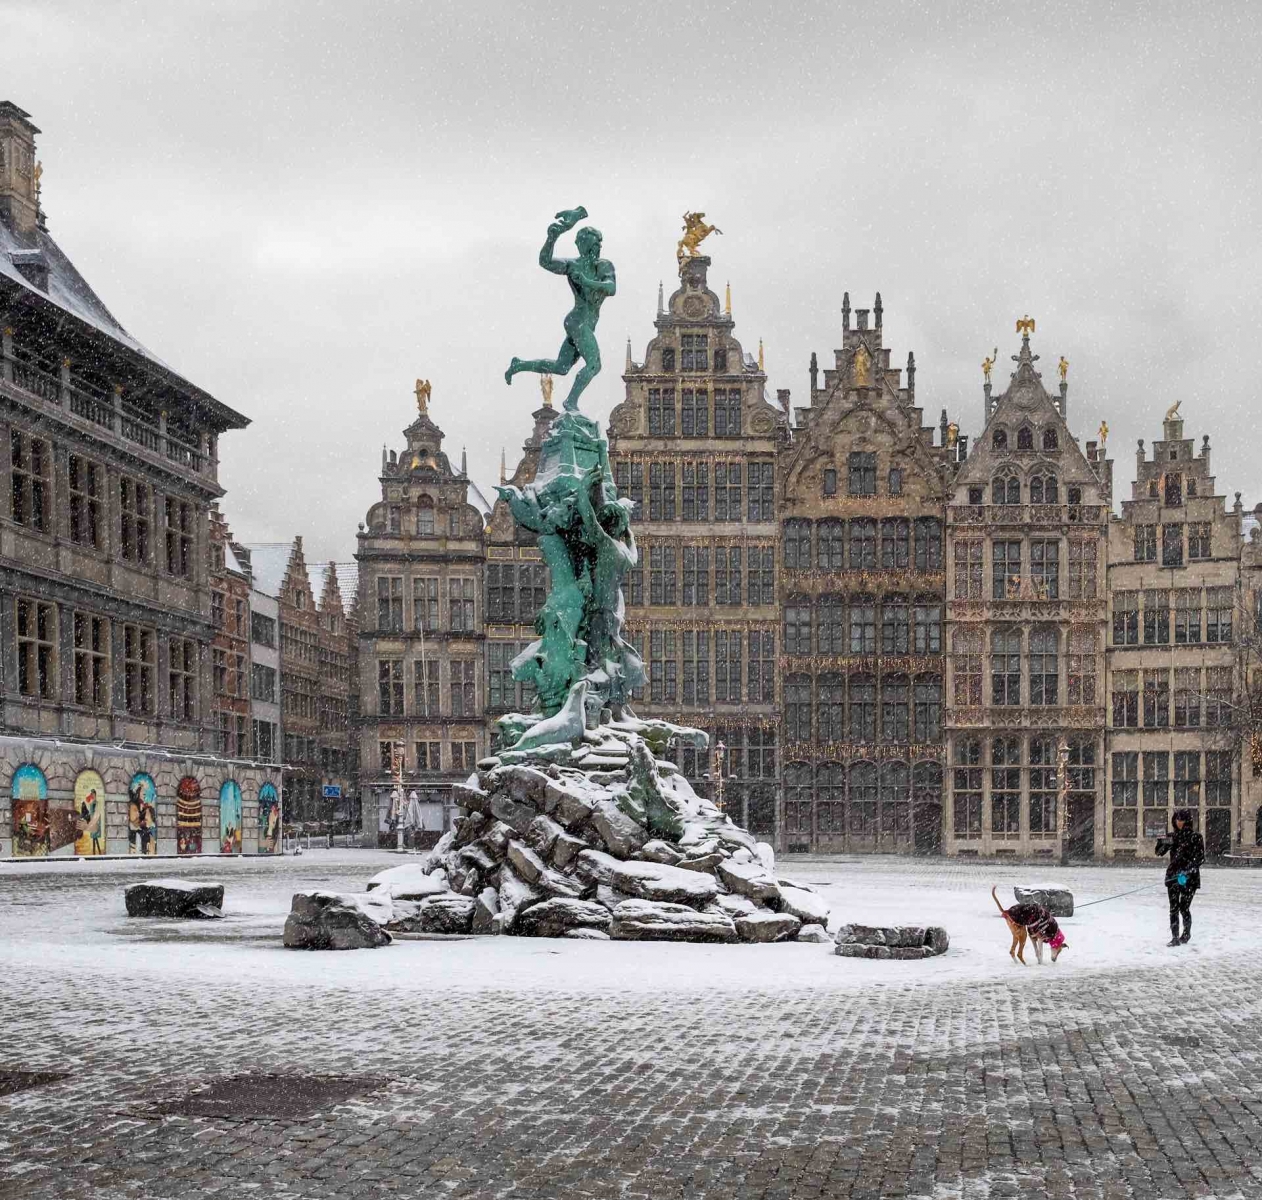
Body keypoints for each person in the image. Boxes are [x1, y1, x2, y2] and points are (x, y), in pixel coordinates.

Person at [1156, 808, 1205, 946]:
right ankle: (1175, 937)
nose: (1179, 823)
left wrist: (1187, 871)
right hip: (1173, 876)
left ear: (1187, 821)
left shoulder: (1196, 837)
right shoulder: (1172, 837)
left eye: (1181, 820)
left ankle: (1186, 933)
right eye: (1177, 820)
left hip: (1189, 878)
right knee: (1173, 907)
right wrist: (1162, 843)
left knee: (1184, 907)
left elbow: (1200, 858)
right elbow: (1159, 852)